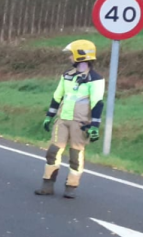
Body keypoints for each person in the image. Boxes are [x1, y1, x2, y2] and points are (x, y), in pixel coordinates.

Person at [36, 40, 104, 199]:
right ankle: (47, 185)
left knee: (75, 156)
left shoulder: (95, 79)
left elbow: (97, 103)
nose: (69, 58)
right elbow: (57, 96)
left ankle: (71, 186)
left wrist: (95, 125)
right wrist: (49, 116)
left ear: (80, 56)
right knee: (53, 152)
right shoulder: (67, 75)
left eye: (71, 55)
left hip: (80, 124)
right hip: (62, 120)